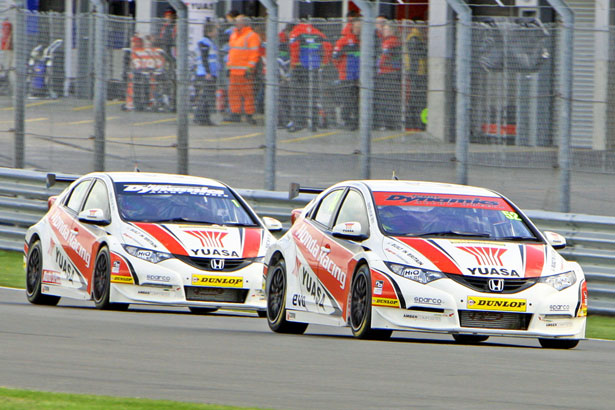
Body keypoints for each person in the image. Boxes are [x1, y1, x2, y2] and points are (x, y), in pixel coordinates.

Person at [287, 22, 331, 132]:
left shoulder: (295, 32)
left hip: (300, 68)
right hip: (315, 67)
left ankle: (299, 122)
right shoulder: (318, 33)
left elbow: (294, 47)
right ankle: (314, 123)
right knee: (312, 96)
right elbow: (328, 47)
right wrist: (323, 63)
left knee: (297, 96)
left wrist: (293, 64)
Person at [226, 15, 261, 124]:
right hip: (234, 71)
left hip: (245, 71)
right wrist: (229, 66)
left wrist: (250, 69)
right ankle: (235, 113)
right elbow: (231, 53)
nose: (236, 24)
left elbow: (254, 54)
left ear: (244, 23)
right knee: (233, 93)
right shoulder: (234, 35)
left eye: (238, 22)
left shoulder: (252, 36)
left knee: (248, 94)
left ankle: (249, 114)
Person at [333, 17, 361, 131]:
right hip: (347, 75)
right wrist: (342, 69)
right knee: (348, 99)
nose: (359, 29)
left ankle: (356, 120)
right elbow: (335, 57)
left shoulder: (363, 40)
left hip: (359, 76)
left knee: (357, 99)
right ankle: (347, 120)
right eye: (357, 27)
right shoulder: (344, 40)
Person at [374, 23, 402, 130]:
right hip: (394, 72)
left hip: (386, 73)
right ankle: (392, 122)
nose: (383, 31)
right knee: (392, 98)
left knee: (386, 98)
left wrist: (379, 66)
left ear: (391, 31)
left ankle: (388, 122)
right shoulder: (397, 42)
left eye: (386, 29)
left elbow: (384, 57)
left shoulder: (389, 42)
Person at [194, 24, 219, 126]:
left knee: (207, 96)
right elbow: (204, 58)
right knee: (207, 96)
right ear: (209, 32)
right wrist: (208, 72)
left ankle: (202, 118)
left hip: (210, 72)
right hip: (206, 73)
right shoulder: (205, 43)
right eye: (214, 30)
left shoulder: (209, 42)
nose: (216, 32)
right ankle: (201, 117)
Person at [405, 23, 427, 131]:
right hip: (417, 74)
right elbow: (417, 55)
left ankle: (417, 123)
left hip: (416, 73)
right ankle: (417, 123)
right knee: (417, 100)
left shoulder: (415, 38)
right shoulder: (415, 38)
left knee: (416, 99)